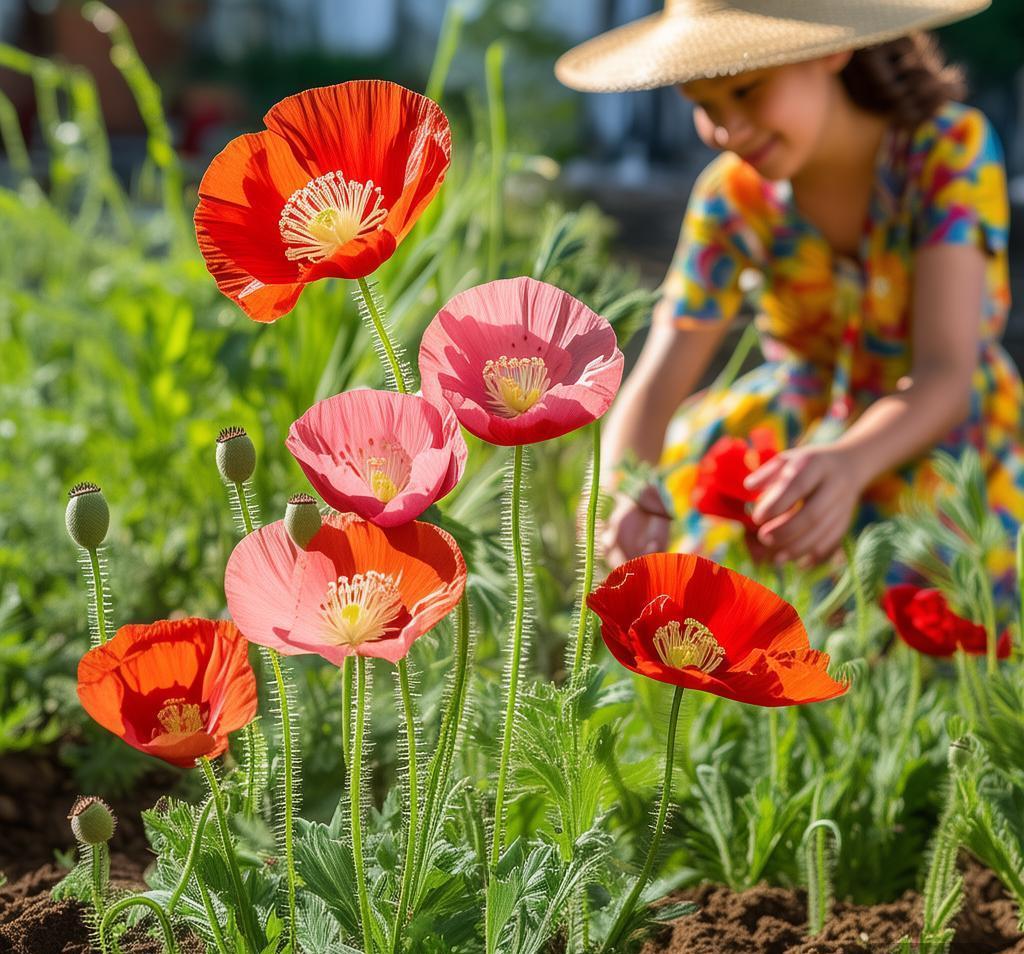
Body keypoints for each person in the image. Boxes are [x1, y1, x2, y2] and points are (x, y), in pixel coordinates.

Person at [556, 0, 1023, 592]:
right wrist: (620, 490)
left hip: (938, 431)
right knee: (702, 581)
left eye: (747, 91)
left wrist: (850, 462)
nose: (727, 130)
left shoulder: (948, 151)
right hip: (796, 431)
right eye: (704, 106)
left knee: (947, 604)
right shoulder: (731, 198)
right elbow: (658, 382)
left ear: (829, 46)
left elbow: (945, 374)